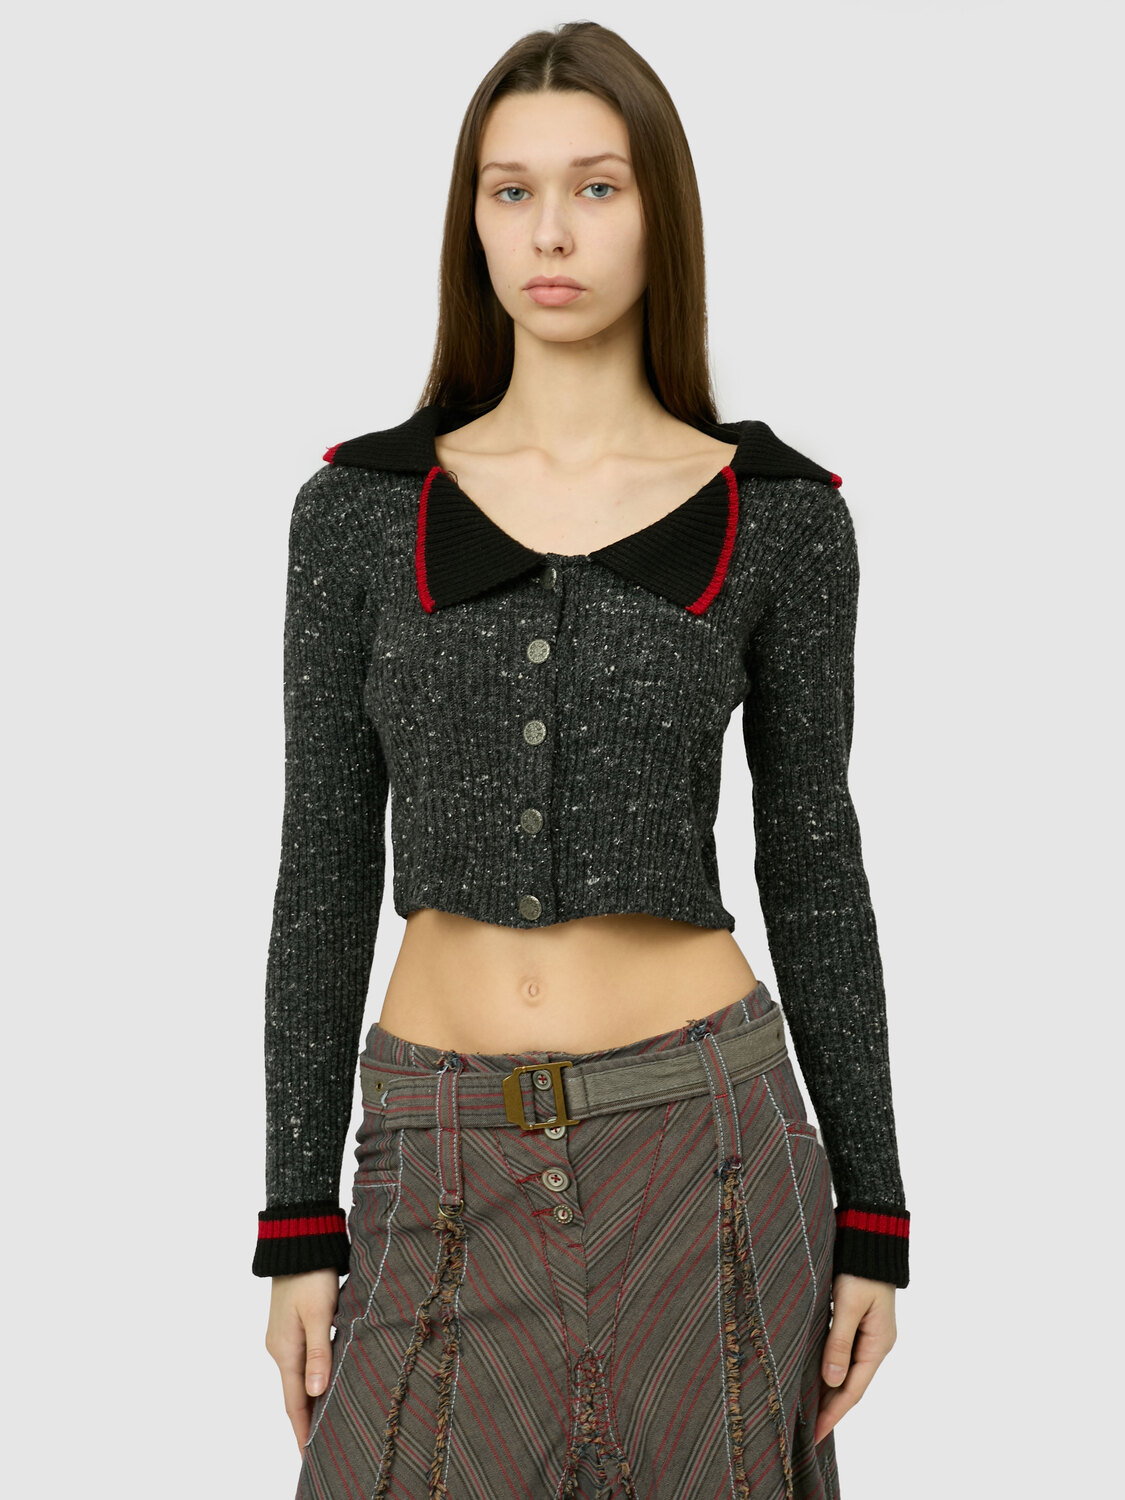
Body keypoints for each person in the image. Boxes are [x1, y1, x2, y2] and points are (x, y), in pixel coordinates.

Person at [254, 21, 910, 1500]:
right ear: (472, 221)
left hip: (711, 1163)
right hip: (430, 1159)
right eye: (512, 191)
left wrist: (875, 1212)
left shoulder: (782, 519)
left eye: (596, 187)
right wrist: (296, 1217)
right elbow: (321, 868)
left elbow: (814, 862)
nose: (550, 231)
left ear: (659, 212)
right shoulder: (357, 513)